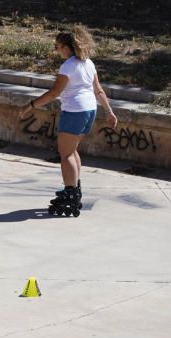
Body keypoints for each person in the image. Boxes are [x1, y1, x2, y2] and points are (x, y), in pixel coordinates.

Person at [17, 25, 118, 216]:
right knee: (72, 151)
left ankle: (70, 192)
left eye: (57, 47)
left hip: (75, 111)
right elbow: (98, 90)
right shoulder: (88, 63)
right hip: (89, 110)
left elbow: (55, 93)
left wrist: (29, 106)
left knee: (66, 155)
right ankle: (75, 188)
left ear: (66, 47)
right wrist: (109, 111)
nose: (56, 50)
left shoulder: (68, 66)